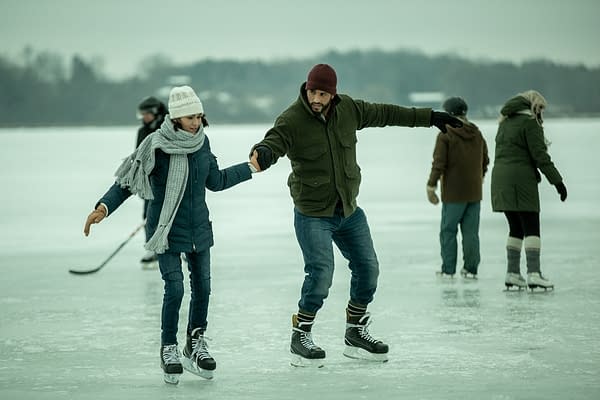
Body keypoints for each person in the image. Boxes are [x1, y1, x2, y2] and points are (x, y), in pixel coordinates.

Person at [249, 63, 462, 366]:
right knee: (321, 273)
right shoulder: (292, 119)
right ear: (306, 89)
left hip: (348, 210)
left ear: (333, 95)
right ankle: (301, 334)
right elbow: (274, 141)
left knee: (368, 269)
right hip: (312, 213)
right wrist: (265, 152)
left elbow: (388, 114)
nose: (316, 99)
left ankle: (355, 332)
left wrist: (429, 118)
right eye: (313, 92)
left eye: (323, 93)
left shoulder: (348, 109)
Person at [83, 86, 261, 384]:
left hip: (199, 230)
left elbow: (215, 181)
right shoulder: (155, 145)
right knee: (175, 289)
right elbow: (127, 183)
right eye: (191, 117)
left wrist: (249, 168)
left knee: (203, 288)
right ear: (176, 117)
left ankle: (195, 342)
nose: (196, 122)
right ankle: (168, 347)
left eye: (199, 116)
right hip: (165, 230)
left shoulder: (202, 144)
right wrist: (103, 207)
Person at [490, 90, 567, 291]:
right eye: (540, 108)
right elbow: (540, 156)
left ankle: (513, 273)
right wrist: (558, 182)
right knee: (532, 225)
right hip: (521, 180)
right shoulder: (529, 123)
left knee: (516, 227)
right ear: (532, 105)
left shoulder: (504, 122)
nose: (541, 112)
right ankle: (534, 274)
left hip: (500, 180)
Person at [426, 97, 489, 279]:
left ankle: (448, 269)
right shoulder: (476, 133)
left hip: (453, 193)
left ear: (449, 113)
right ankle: (471, 269)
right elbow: (485, 160)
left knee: (448, 231)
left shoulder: (445, 133)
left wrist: (431, 185)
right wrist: (480, 177)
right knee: (471, 233)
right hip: (474, 191)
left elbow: (439, 163)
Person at [136, 96, 168, 266]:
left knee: (172, 214)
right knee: (148, 214)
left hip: (167, 180)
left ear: (155, 112)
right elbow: (138, 155)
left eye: (146, 113)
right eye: (141, 114)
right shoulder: (142, 131)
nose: (144, 117)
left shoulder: (169, 127)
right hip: (149, 181)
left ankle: (180, 249)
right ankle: (152, 249)